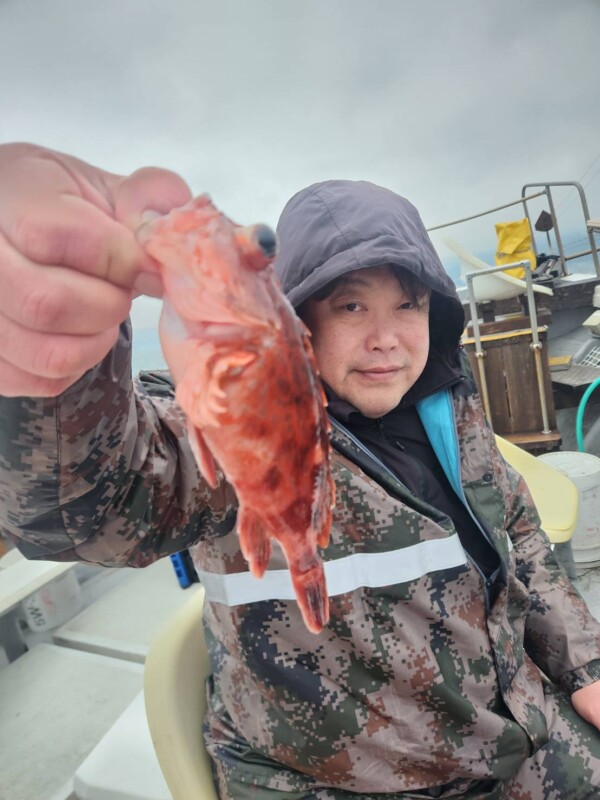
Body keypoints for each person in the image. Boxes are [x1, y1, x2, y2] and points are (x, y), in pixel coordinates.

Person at [0, 143, 599, 800]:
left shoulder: (448, 403)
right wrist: (56, 374)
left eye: (408, 305)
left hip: (516, 730)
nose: (387, 338)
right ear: (301, 314)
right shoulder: (236, 426)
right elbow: (83, 506)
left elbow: (520, 536)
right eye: (351, 306)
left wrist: (585, 666)